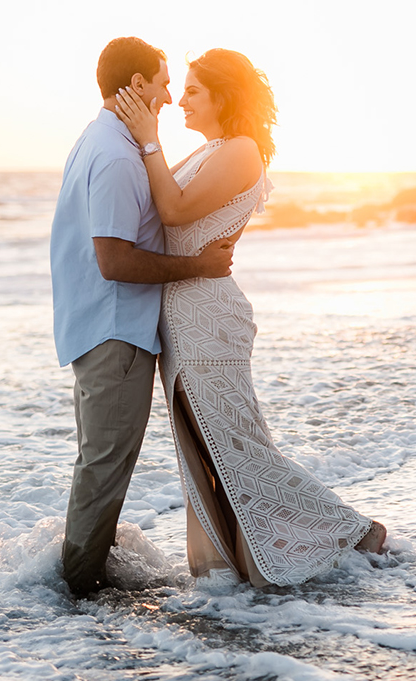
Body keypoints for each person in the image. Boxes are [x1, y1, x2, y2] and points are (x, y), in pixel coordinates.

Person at [113, 47, 387, 586]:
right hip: (182, 316)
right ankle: (236, 566)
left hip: (209, 319)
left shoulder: (241, 151)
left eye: (193, 90)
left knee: (238, 446)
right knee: (207, 451)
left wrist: (148, 137)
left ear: (223, 95)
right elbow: (158, 206)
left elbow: (172, 211)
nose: (181, 100)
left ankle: (356, 533)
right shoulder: (209, 150)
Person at [52, 36, 235, 598]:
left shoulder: (101, 140)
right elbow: (114, 260)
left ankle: (82, 583)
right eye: (161, 81)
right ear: (137, 87)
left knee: (99, 466)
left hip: (98, 329)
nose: (170, 93)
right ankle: (75, 596)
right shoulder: (114, 156)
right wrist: (197, 266)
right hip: (115, 333)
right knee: (104, 471)